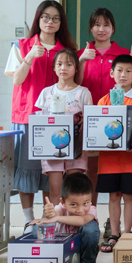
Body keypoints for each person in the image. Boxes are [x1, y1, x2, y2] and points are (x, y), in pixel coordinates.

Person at [4, 0, 76, 226]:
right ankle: (27, 221)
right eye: (46, 17)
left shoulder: (65, 51)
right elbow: (16, 79)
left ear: (61, 22)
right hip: (26, 116)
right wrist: (29, 57)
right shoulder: (21, 45)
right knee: (26, 171)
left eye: (56, 18)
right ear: (38, 19)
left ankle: (47, 221)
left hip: (56, 121)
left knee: (50, 175)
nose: (50, 22)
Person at [77, 8, 130, 208]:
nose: (101, 29)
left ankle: (112, 221)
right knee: (90, 172)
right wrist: (82, 61)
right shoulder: (81, 55)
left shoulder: (123, 54)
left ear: (113, 28)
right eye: (97, 24)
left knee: (114, 170)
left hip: (116, 121)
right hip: (89, 120)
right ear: (91, 28)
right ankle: (91, 215)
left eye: (106, 25)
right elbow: (76, 84)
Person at [96, 55, 132, 252]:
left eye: (128, 71)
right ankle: (114, 234)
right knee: (113, 196)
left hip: (130, 159)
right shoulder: (104, 100)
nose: (123, 74)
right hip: (108, 159)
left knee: (128, 195)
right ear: (112, 74)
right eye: (119, 70)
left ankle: (128, 233)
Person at [34, 49, 92, 205]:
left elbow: (91, 121)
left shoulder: (83, 93)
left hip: (76, 150)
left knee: (74, 190)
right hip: (53, 149)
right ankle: (54, 225)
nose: (63, 68)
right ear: (54, 67)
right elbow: (39, 120)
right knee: (55, 190)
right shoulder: (47, 92)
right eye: (59, 64)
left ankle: (73, 224)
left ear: (76, 68)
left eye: (69, 64)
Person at [29, 173, 101, 263]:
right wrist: (49, 214)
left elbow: (82, 221)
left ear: (91, 200)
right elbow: (54, 214)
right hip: (63, 253)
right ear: (63, 202)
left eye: (85, 203)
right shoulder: (60, 208)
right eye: (73, 205)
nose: (80, 210)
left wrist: (56, 218)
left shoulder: (92, 210)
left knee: (90, 228)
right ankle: (42, 260)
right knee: (37, 227)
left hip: (82, 253)